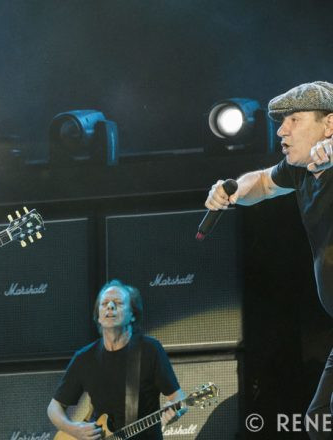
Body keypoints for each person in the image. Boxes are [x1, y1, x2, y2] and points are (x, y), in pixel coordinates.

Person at [204, 80, 333, 439]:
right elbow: (260, 183)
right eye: (281, 121)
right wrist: (231, 191)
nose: (282, 130)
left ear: (329, 124)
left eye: (294, 119)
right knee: (321, 421)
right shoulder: (299, 170)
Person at [47, 279, 186, 440]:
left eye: (118, 303)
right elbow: (54, 408)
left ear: (133, 315)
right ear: (98, 316)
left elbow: (178, 399)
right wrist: (73, 429)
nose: (110, 306)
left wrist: (176, 411)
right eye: (104, 303)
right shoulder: (84, 358)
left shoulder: (150, 350)